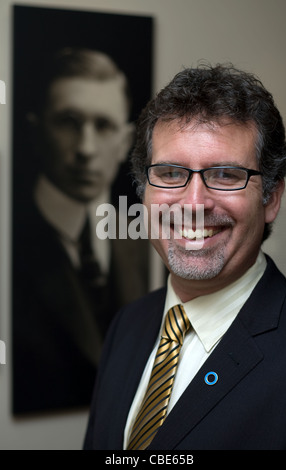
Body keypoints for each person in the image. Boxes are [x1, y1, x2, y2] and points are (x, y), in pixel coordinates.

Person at [83, 63, 286, 450]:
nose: (194, 203)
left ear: (272, 198)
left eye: (225, 174)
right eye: (169, 173)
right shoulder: (128, 324)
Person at [12, 48, 149, 413]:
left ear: (125, 143)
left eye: (103, 126)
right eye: (68, 122)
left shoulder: (145, 242)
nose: (86, 149)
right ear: (36, 131)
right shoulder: (9, 243)